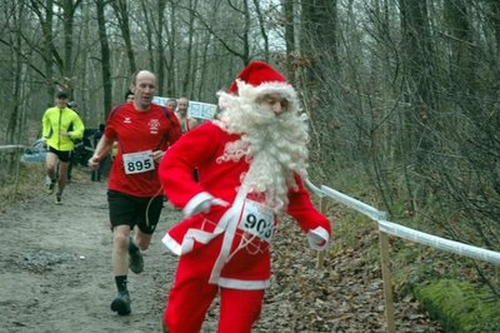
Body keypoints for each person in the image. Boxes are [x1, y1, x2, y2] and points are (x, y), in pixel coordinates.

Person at [158, 61, 332, 332]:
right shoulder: (216, 133)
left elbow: (296, 196)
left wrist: (315, 223)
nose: (276, 109)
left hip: (251, 258)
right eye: (269, 101)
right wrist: (192, 196)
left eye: (282, 104)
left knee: (238, 327)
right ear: (249, 101)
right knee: (180, 321)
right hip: (207, 243)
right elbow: (173, 162)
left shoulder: (283, 150)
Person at [88, 70, 182, 316]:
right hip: (121, 187)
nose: (148, 91)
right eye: (143, 86)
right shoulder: (119, 113)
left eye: (152, 86)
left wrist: (166, 155)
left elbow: (180, 147)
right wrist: (97, 156)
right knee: (119, 236)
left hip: (152, 191)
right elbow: (108, 139)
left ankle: (134, 247)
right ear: (133, 88)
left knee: (143, 243)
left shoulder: (165, 116)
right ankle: (122, 293)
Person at [42, 91, 85, 204]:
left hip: (67, 146)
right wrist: (45, 137)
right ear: (56, 100)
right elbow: (45, 124)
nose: (61, 101)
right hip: (53, 143)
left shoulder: (72, 114)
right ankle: (52, 180)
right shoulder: (49, 112)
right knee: (50, 166)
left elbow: (80, 130)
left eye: (64, 99)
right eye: (59, 99)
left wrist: (70, 134)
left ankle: (59, 194)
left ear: (67, 100)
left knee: (63, 174)